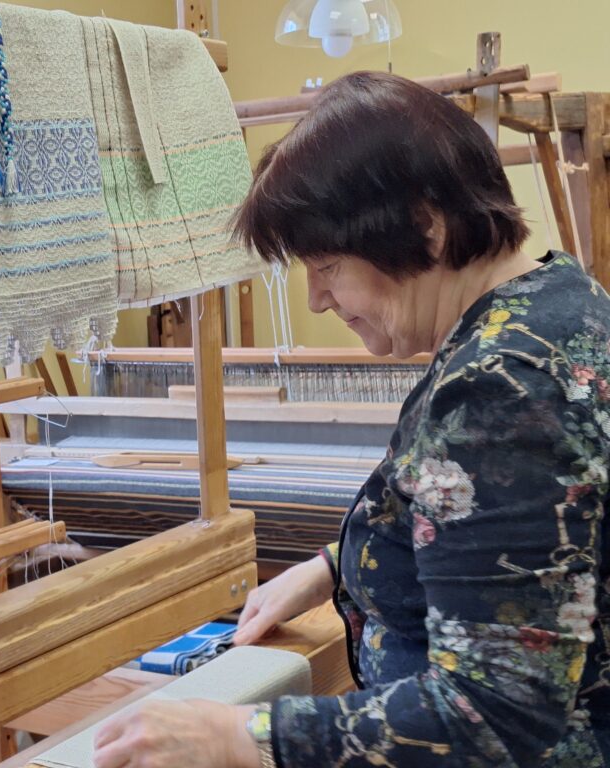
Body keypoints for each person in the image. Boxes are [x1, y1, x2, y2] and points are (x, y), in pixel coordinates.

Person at [91, 71, 610, 767]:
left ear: (425, 226)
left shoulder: (500, 388)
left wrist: (239, 737)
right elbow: (521, 532)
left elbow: (492, 716)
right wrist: (334, 567)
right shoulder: (560, 302)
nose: (316, 299)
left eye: (328, 266)